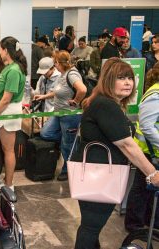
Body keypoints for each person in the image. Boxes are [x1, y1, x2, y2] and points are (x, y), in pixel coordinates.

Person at [72, 58, 159, 248]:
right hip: (100, 175)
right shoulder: (106, 105)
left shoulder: (104, 102)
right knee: (91, 228)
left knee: (90, 227)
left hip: (95, 173)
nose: (128, 82)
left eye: (130, 77)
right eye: (121, 78)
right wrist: (152, 173)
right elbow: (127, 145)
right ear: (109, 80)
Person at [40, 50, 87, 181]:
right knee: (46, 133)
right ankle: (68, 141)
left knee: (68, 144)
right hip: (59, 112)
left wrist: (76, 101)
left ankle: (68, 170)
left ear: (60, 63)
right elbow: (59, 91)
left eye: (55, 62)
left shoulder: (72, 74)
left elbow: (82, 89)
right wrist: (44, 96)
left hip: (69, 115)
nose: (54, 65)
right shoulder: (62, 74)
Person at [125, 62, 159, 232]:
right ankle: (135, 226)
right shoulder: (155, 93)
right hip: (149, 152)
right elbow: (146, 126)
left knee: (151, 190)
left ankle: (150, 222)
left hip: (154, 151)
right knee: (141, 189)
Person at [0, 36, 27, 190]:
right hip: (3, 111)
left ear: (6, 50)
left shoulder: (13, 70)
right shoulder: (10, 67)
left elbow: (6, 99)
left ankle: (9, 185)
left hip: (7, 112)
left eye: (1, 49)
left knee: (8, 150)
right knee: (7, 149)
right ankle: (7, 180)